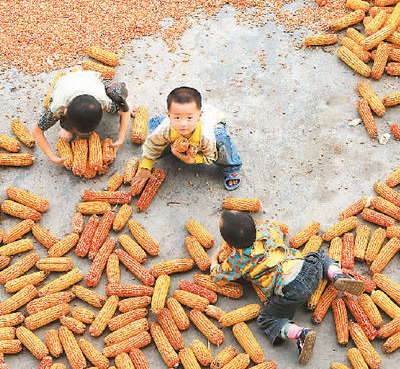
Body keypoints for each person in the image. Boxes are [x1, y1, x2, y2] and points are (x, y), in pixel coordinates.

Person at [210, 210, 366, 365]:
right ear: (253, 223)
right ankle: (336, 274)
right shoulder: (266, 229)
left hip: (289, 291)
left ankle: (299, 333)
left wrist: (214, 261)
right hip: (308, 270)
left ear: (230, 244)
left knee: (266, 319)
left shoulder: (237, 261)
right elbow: (279, 230)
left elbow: (217, 277)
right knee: (318, 256)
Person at [130, 87, 242, 190]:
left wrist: (193, 159)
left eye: (189, 118)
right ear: (169, 115)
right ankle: (165, 120)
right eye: (177, 117)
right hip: (173, 125)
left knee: (221, 140)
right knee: (159, 137)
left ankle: (231, 168)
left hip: (213, 122)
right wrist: (145, 168)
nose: (183, 124)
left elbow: (210, 157)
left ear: (199, 115)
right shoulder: (166, 128)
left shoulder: (206, 135)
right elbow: (152, 145)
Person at [32, 70, 133, 165]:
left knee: (118, 100)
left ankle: (126, 103)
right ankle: (65, 128)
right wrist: (52, 156)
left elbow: (125, 112)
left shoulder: (103, 100)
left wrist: (121, 138)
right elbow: (37, 132)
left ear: (102, 108)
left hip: (92, 79)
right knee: (64, 127)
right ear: (65, 112)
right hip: (63, 85)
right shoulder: (58, 107)